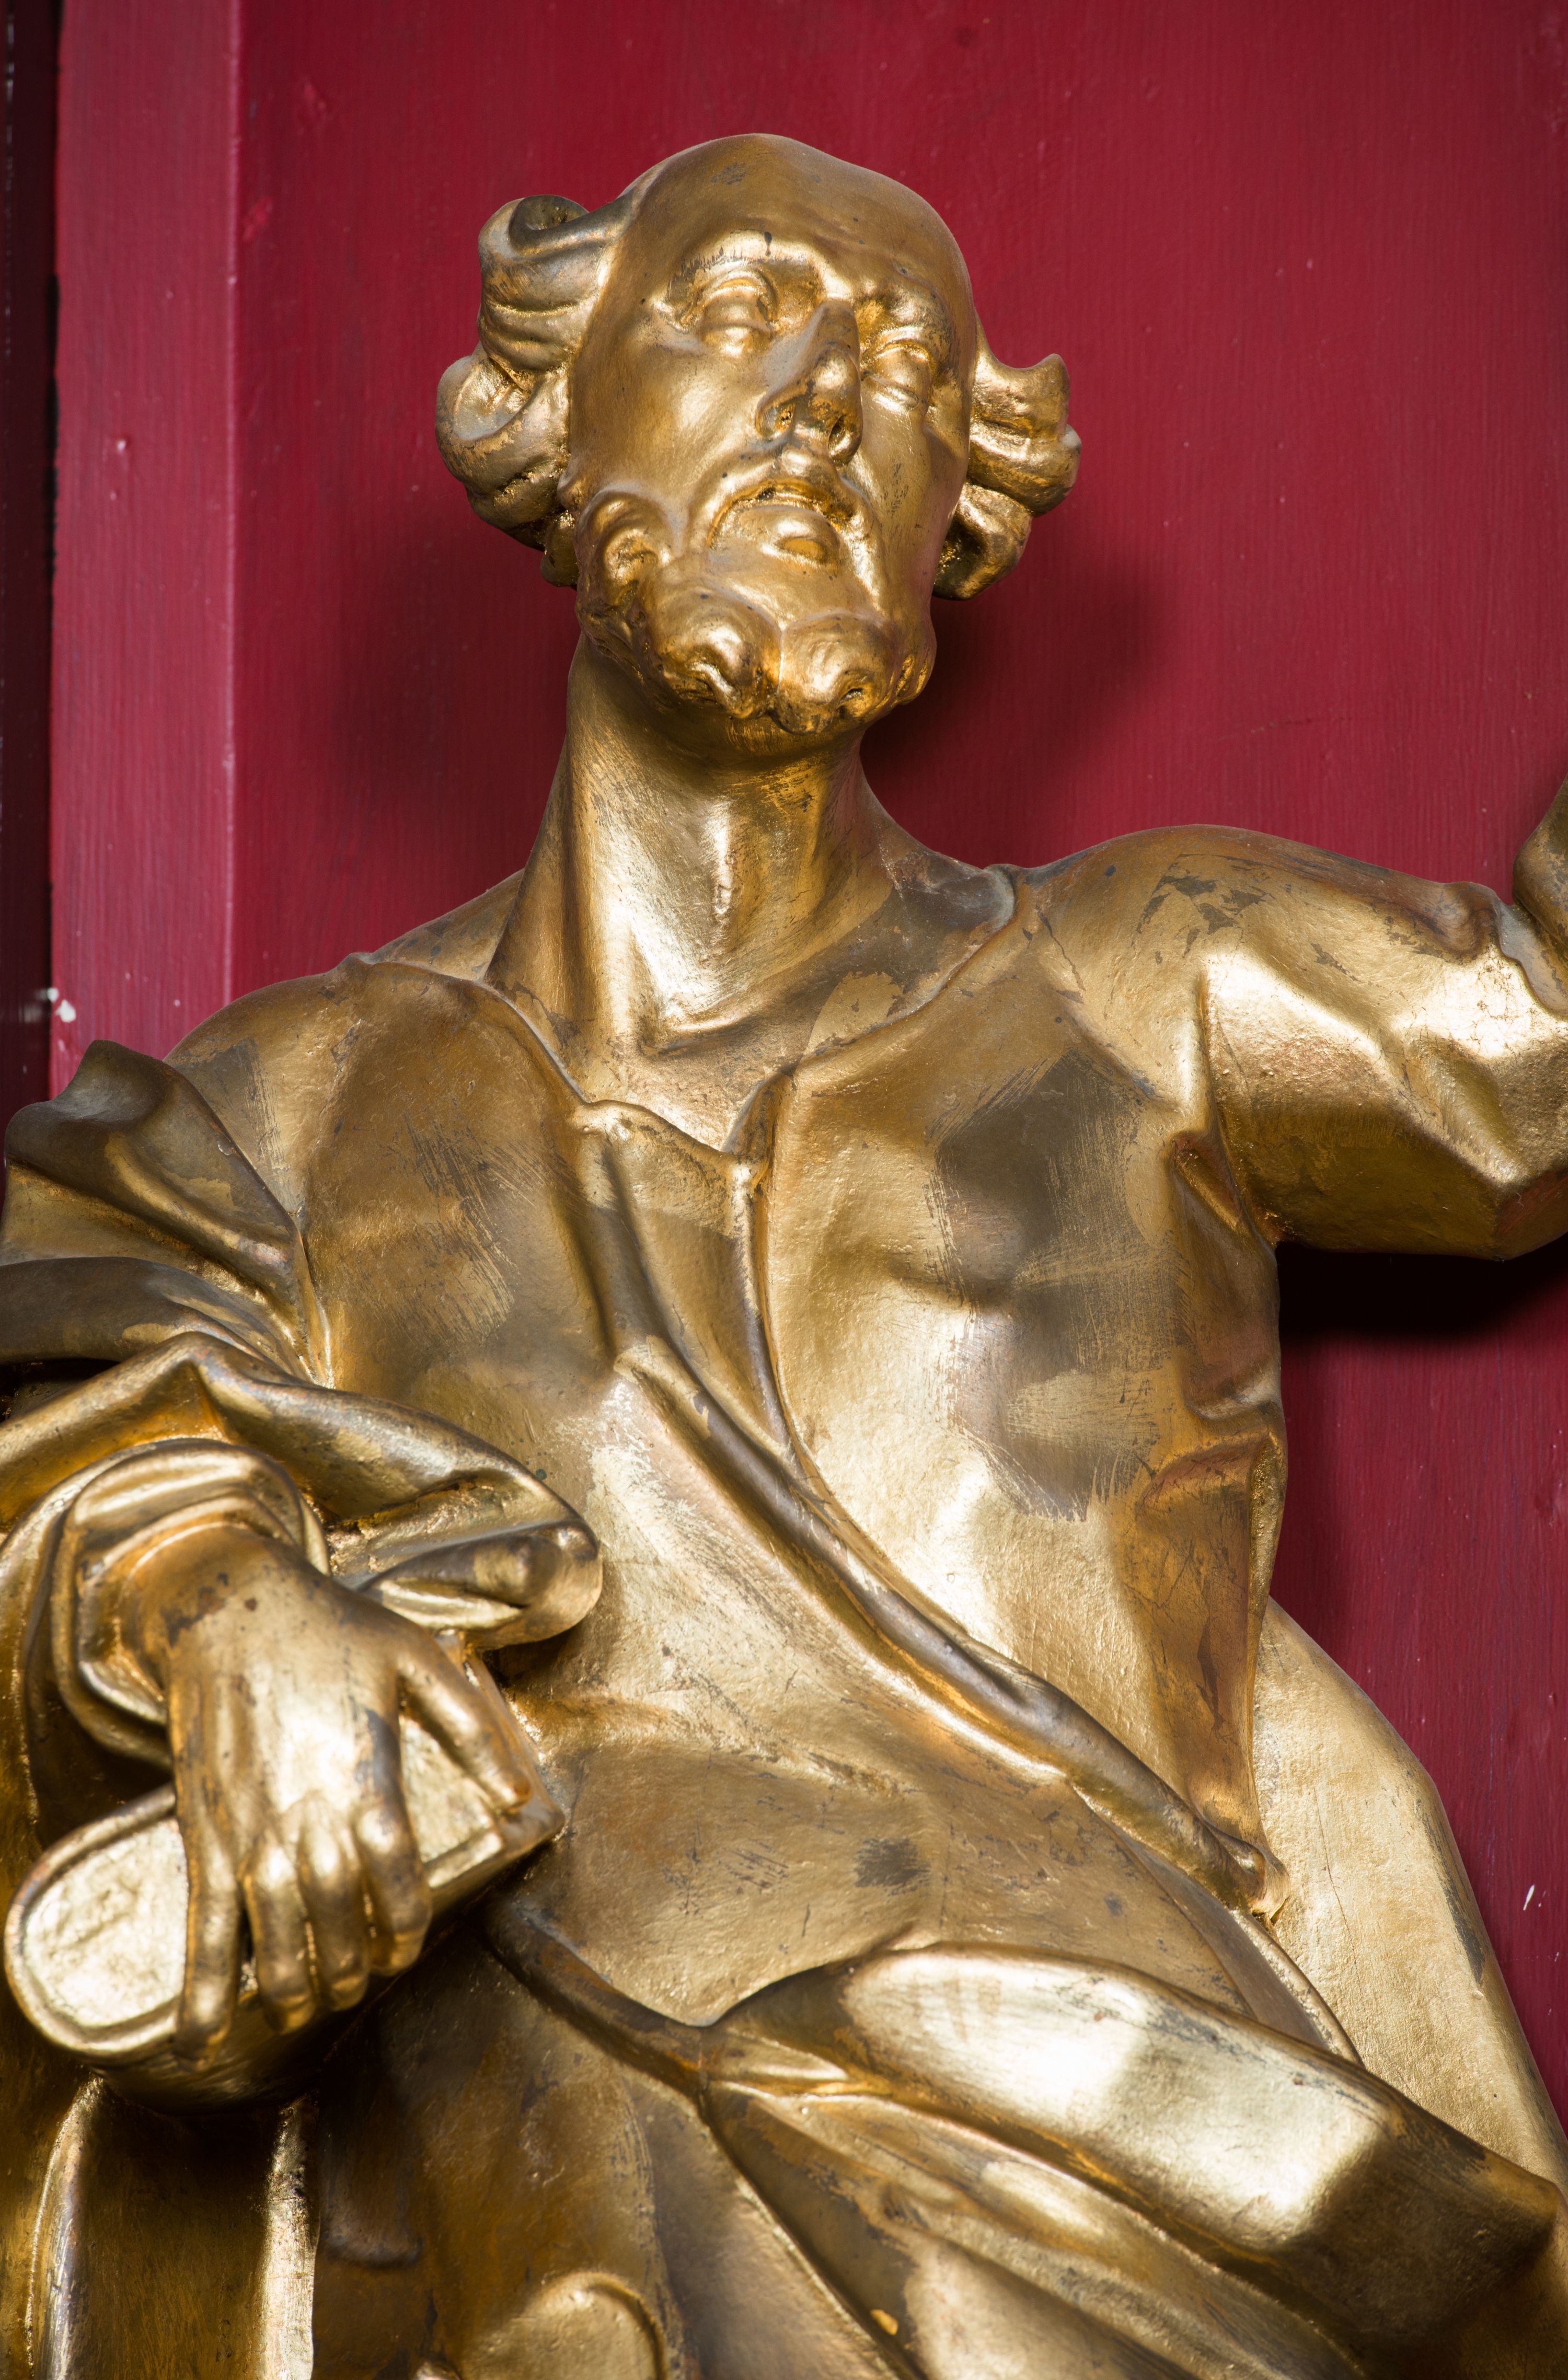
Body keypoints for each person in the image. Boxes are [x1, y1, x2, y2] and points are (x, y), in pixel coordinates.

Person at [2, 133, 1567, 2378]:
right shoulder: (278, 1112)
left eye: (909, 371)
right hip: (575, 2238)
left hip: (1137, 2183)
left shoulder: (1150, 977)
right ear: (559, 417)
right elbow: (79, 1434)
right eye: (739, 313)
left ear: (960, 515)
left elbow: (1541, 1037)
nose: (828, 399)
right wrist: (217, 1599)